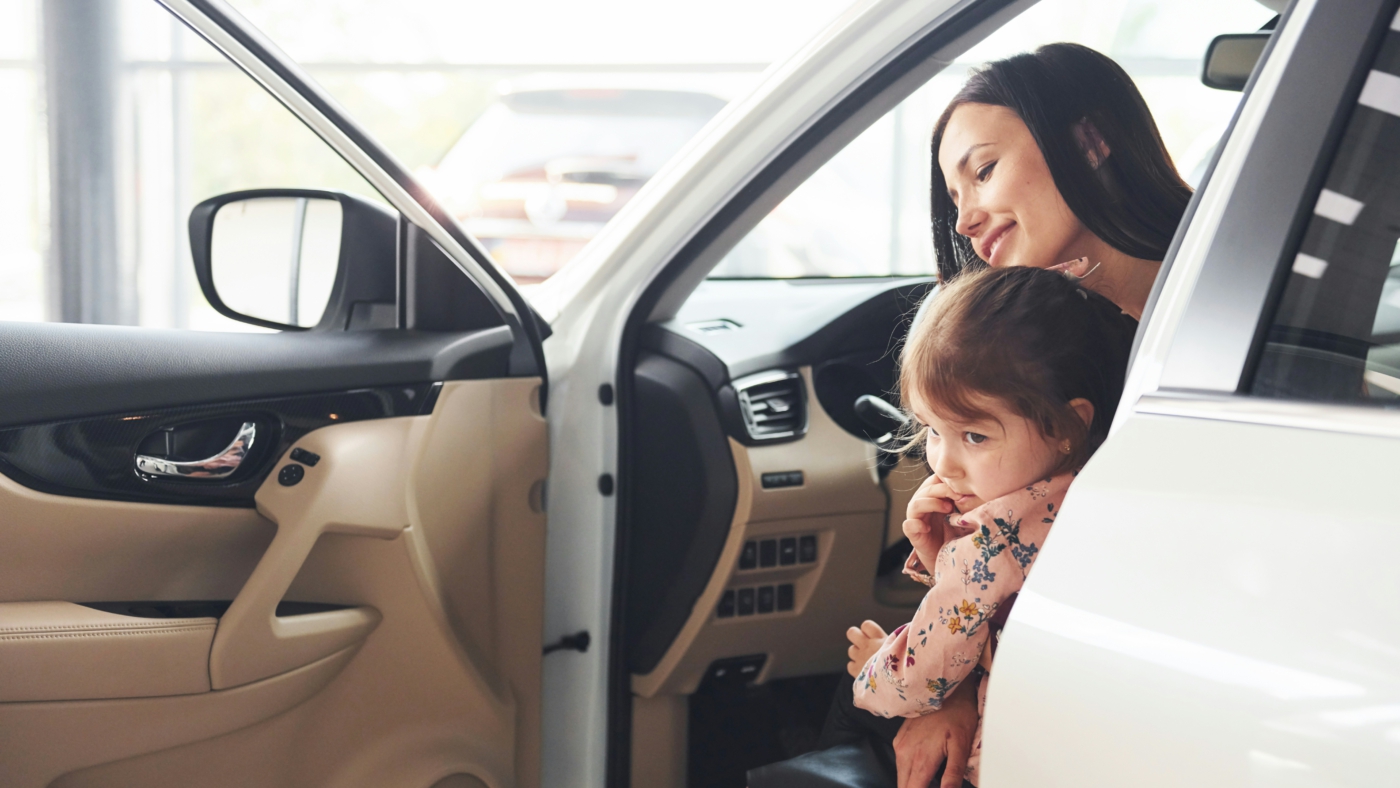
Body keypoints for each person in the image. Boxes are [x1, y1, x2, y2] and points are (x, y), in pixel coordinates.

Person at [748, 42, 1192, 788]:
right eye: (954, 196)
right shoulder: (1061, 342)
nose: (966, 217)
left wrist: (954, 692)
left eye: (983, 171)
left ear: (1088, 141)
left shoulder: (1201, 345)